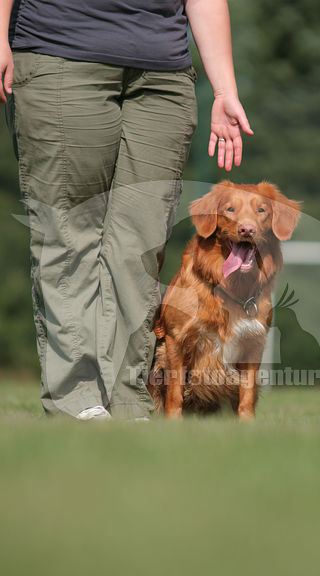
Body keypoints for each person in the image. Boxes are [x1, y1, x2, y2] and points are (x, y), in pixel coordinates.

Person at [0, 0, 253, 420]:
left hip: (163, 74)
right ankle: (76, 400)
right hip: (61, 52)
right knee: (70, 234)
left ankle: (129, 399)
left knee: (142, 244)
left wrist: (224, 90)